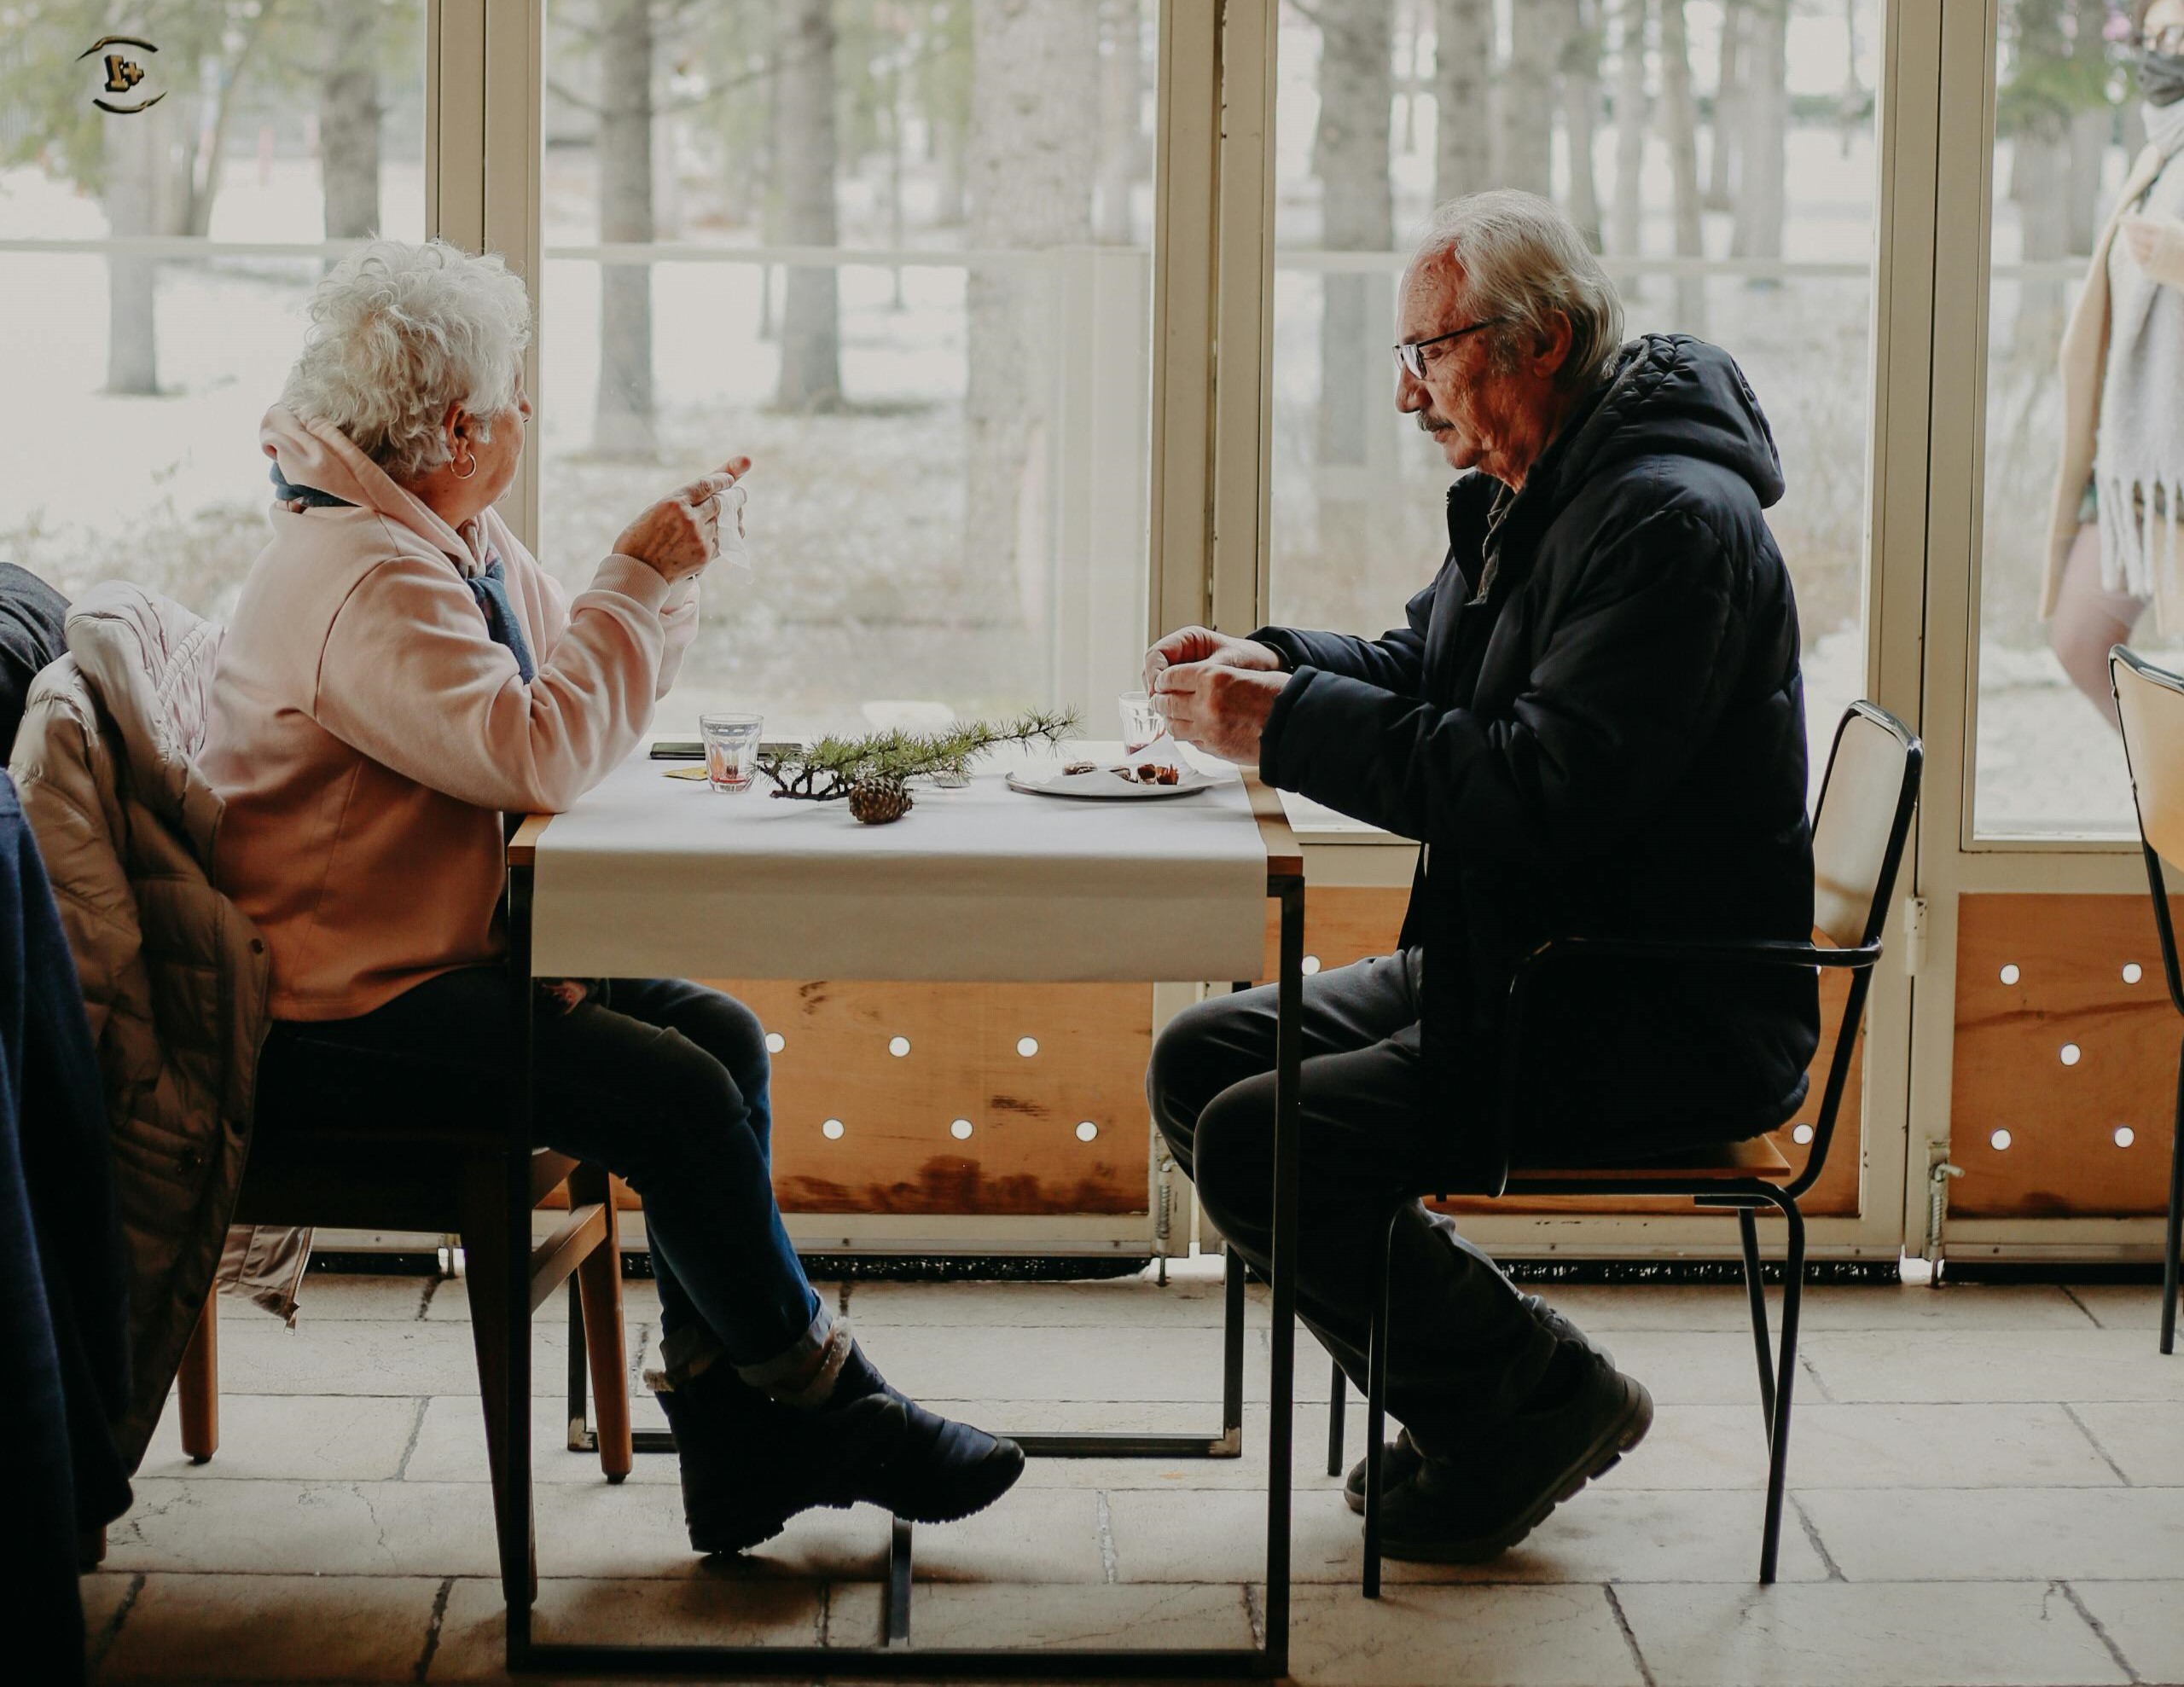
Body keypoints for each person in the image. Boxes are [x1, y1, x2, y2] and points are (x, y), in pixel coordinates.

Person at [200, 239, 1022, 1555]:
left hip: (425, 957)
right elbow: (536, 747)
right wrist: (637, 578)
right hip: (338, 1012)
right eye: (516, 391)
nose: (528, 412)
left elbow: (568, 699)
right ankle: (825, 1400)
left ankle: (735, 1438)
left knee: (722, 1037)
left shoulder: (433, 531)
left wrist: (664, 569)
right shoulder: (363, 577)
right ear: (459, 424)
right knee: (676, 1095)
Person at [1142, 191, 1818, 1563]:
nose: (1406, 393)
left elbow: (1532, 789)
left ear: (1543, 340)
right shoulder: (1550, 485)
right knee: (1202, 1062)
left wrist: (1275, 727)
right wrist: (1273, 664)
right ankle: (1499, 1380)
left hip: (1647, 1010)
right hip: (1528, 960)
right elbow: (1432, 672)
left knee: (1257, 1142)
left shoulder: (1665, 526)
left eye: (1428, 352)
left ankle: (1526, 1400)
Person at [2047, 0, 2184, 727]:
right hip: (2140, 454)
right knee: (2079, 639)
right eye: (2157, 34)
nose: (2164, 51)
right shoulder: (2160, 154)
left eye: (2182, 34)